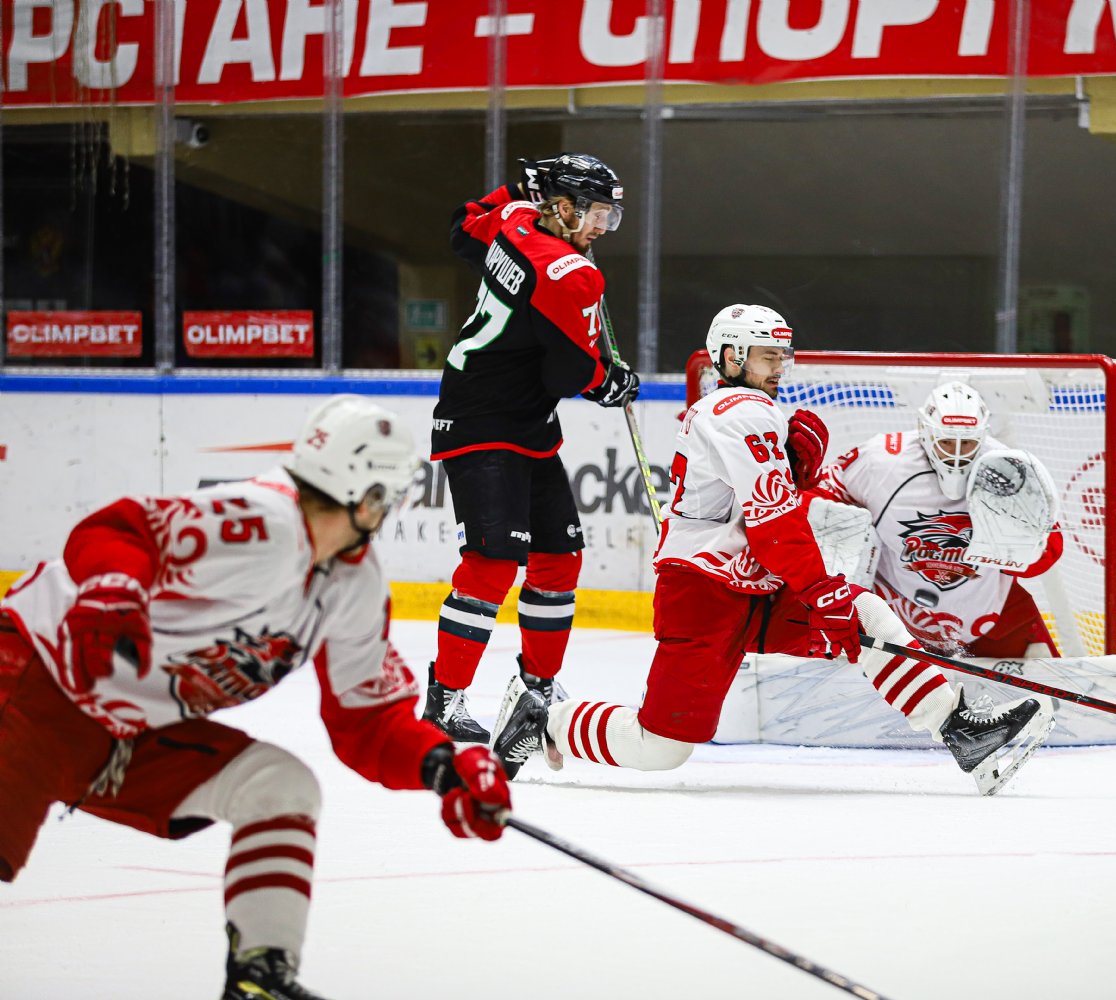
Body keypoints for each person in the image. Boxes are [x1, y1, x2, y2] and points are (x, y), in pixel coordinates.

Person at [0, 395, 512, 1000]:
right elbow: (121, 528)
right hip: (34, 684)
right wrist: (111, 590)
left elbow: (369, 722)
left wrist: (442, 765)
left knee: (280, 788)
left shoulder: (355, 583)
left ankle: (258, 978)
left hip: (124, 736)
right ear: (369, 495)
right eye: (391, 496)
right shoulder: (262, 520)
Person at [493, 305, 1054, 796]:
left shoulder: (748, 412)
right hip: (703, 593)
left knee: (866, 615)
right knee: (660, 746)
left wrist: (799, 482)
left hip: (755, 586)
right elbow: (774, 522)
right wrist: (821, 588)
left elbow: (768, 507)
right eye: (767, 356)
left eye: (783, 355)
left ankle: (960, 730)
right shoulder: (739, 411)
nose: (779, 367)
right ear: (731, 357)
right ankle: (543, 719)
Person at [425, 152, 640, 745]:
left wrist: (517, 190)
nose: (603, 227)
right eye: (597, 214)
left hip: (524, 423)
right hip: (483, 420)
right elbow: (568, 374)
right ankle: (445, 699)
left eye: (611, 216)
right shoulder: (572, 272)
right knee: (493, 561)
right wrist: (609, 381)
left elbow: (463, 227)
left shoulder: (515, 219)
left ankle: (537, 690)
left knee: (559, 557)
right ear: (564, 208)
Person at [806, 380, 1064, 659]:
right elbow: (816, 502)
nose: (956, 454)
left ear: (982, 436)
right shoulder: (881, 461)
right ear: (925, 431)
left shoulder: (1009, 471)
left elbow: (1046, 553)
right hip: (893, 623)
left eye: (966, 443)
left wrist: (1023, 546)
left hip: (990, 619)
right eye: (946, 442)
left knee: (1055, 685)